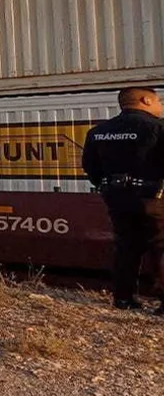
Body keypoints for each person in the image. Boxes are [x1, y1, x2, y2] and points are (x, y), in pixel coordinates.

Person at [81, 86, 164, 312]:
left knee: (126, 246)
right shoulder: (158, 128)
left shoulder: (98, 132)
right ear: (145, 100)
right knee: (160, 246)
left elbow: (90, 167)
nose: (160, 106)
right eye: (159, 101)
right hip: (154, 198)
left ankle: (123, 299)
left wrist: (107, 187)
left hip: (116, 198)